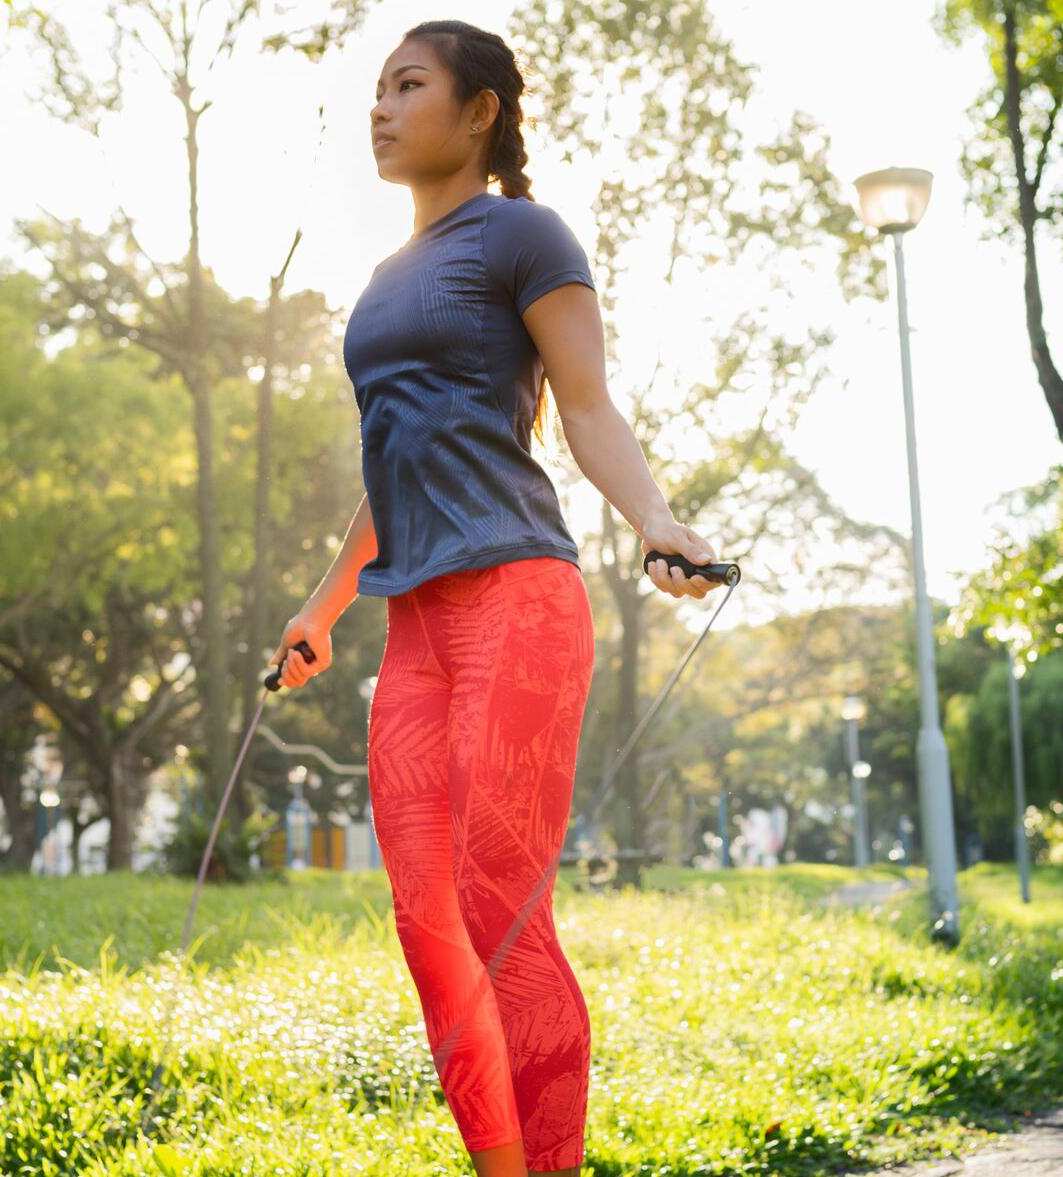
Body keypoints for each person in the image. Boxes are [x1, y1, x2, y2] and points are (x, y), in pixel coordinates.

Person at [270, 19, 719, 1177]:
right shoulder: (376, 290)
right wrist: (323, 607)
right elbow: (391, 467)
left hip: (518, 599)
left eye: (407, 85)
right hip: (413, 628)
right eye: (376, 89)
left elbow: (586, 407)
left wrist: (655, 520)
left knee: (496, 909)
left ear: (478, 113)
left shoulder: (523, 232)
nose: (381, 106)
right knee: (428, 925)